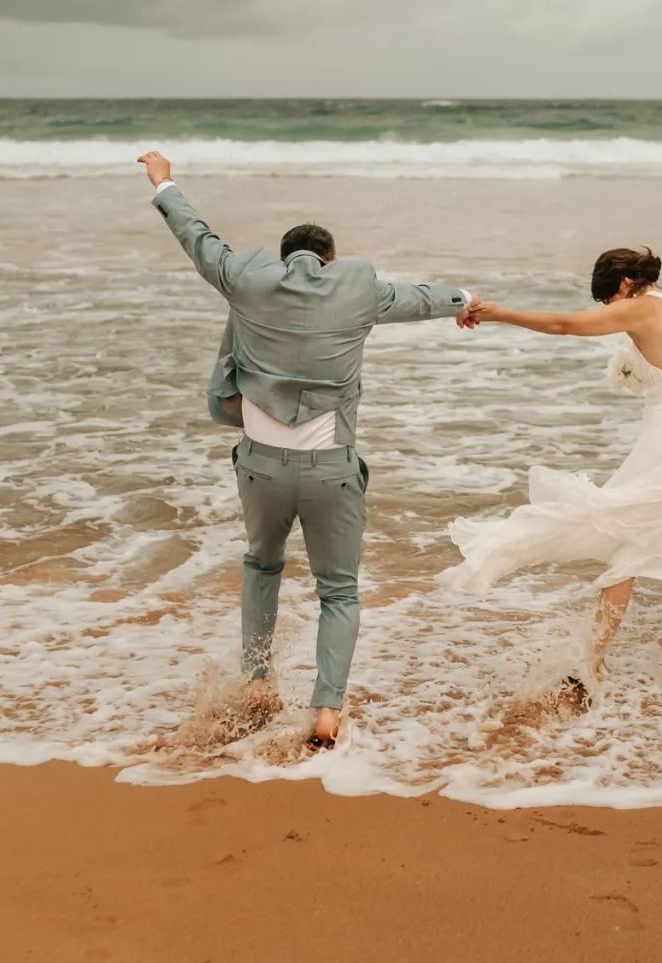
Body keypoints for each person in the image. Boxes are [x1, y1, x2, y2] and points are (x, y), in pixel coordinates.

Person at [138, 150, 476, 748]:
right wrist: (466, 301)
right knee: (338, 591)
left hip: (260, 469)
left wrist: (164, 181)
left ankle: (258, 680)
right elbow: (423, 297)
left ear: (284, 255)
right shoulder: (359, 290)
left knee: (261, 565)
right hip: (330, 473)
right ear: (331, 260)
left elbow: (197, 236)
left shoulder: (245, 280)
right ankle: (325, 711)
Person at [438, 247, 662, 687]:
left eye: (609, 298)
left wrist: (499, 314)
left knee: (620, 533)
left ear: (625, 283)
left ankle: (590, 663)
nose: (610, 307)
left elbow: (565, 325)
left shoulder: (638, 308)